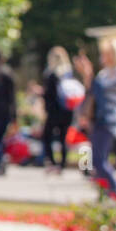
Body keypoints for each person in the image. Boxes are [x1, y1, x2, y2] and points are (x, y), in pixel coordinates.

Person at [73, 38, 116, 200]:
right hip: (97, 121)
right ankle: (106, 193)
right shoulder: (104, 74)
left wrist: (89, 74)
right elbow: (92, 93)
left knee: (98, 160)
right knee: (96, 160)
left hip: (109, 121)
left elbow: (101, 92)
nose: (103, 57)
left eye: (107, 53)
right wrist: (88, 77)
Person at [40, 46, 77, 174]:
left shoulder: (51, 74)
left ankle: (52, 162)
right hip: (67, 110)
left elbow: (49, 94)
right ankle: (62, 164)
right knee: (63, 138)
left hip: (54, 111)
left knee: (47, 137)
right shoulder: (69, 73)